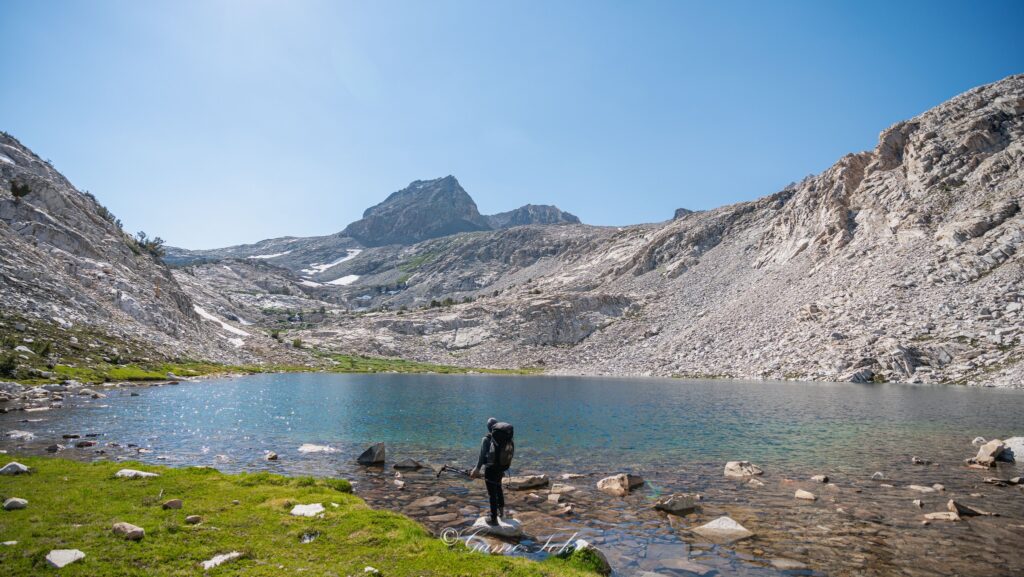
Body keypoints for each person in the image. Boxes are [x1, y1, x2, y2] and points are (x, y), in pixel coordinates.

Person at [470, 417, 505, 525]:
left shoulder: (486, 439)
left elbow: (481, 456)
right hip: (500, 468)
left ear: (488, 427)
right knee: (498, 487)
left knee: (491, 494)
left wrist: (476, 469)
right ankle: (501, 511)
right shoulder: (503, 438)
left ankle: (493, 518)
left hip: (490, 469)